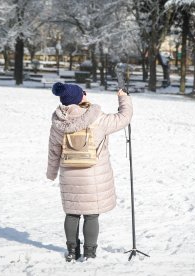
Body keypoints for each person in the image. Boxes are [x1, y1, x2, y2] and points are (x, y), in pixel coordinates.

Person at [47, 82, 133, 262]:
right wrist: (123, 97)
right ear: (80, 97)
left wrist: (51, 172)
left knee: (72, 213)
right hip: (93, 176)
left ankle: (72, 251)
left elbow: (54, 150)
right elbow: (124, 117)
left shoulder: (58, 122)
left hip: (69, 175)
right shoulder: (97, 118)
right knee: (91, 215)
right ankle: (90, 253)